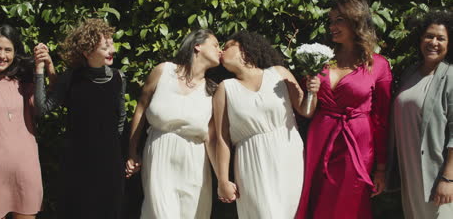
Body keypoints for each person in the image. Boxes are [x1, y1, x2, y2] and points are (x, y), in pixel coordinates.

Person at [296, 0, 392, 219]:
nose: (332, 26)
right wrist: (311, 87)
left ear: (356, 21)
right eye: (331, 21)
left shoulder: (378, 65)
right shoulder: (322, 60)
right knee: (315, 198)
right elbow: (304, 107)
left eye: (339, 20)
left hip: (356, 143)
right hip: (319, 139)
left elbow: (382, 119)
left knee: (348, 201)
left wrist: (380, 167)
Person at [214, 31, 319, 218]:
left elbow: (306, 110)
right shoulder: (225, 88)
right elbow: (222, 138)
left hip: (288, 156)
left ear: (244, 48)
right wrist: (223, 180)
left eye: (228, 45)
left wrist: (312, 91)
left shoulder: (279, 73)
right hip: (250, 162)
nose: (222, 50)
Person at [34, 18, 126, 219]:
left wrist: (109, 145)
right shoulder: (70, 77)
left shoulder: (119, 77)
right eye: (105, 47)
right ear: (87, 52)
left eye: (111, 44)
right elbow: (42, 108)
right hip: (77, 162)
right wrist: (40, 69)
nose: (112, 50)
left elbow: (121, 118)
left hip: (109, 163)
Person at [125, 29, 222, 219]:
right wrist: (132, 151)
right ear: (197, 46)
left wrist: (222, 179)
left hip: (195, 162)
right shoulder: (163, 71)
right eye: (216, 45)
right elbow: (141, 108)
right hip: (160, 152)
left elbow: (211, 138)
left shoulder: (213, 91)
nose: (220, 50)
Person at [386, 10, 453, 218]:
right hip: (410, 173)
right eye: (429, 36)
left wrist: (448, 179)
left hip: (437, 176)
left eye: (441, 38)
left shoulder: (450, 76)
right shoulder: (410, 73)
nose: (433, 42)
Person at [0, 25, 53, 219]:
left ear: (15, 54)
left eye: (8, 50)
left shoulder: (23, 84)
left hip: (25, 169)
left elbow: (47, 105)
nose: (2, 55)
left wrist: (47, 66)